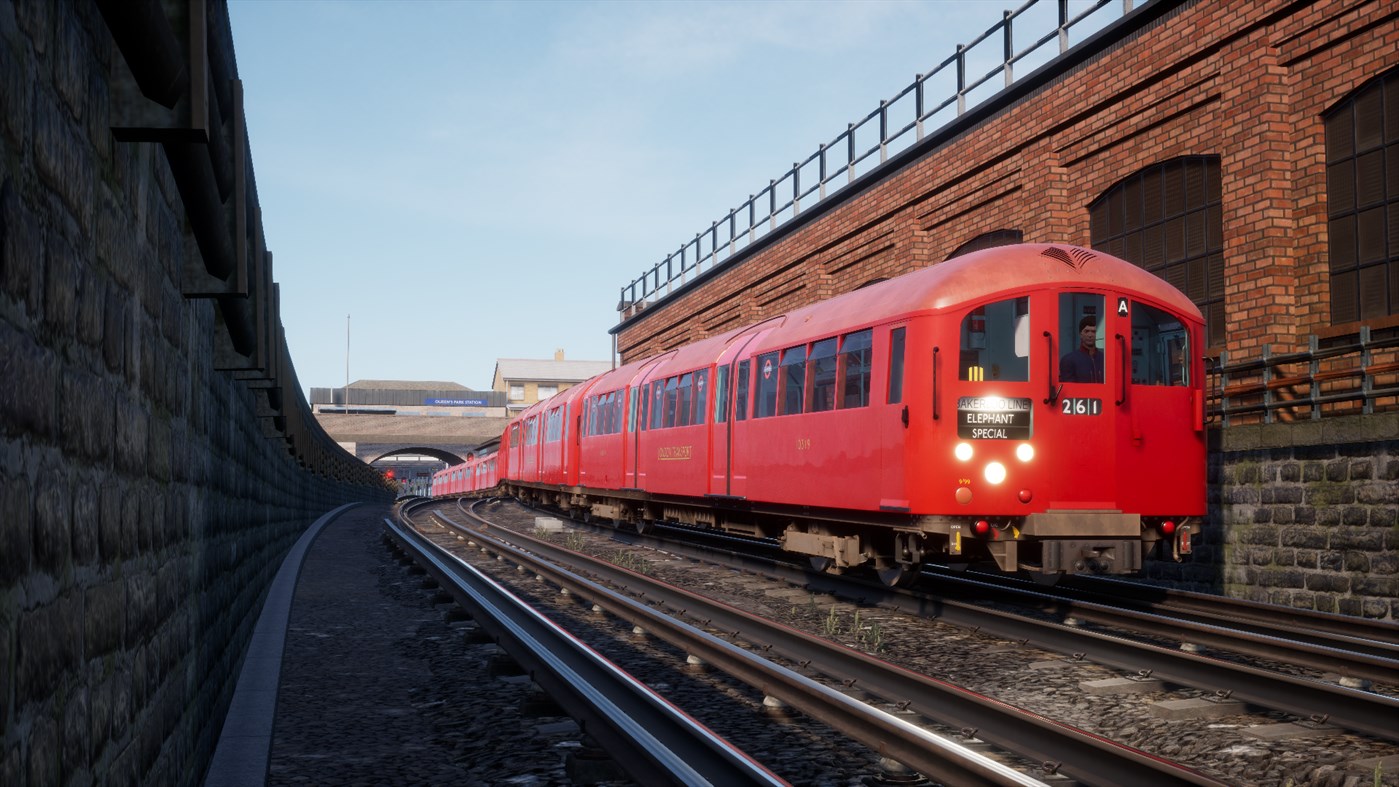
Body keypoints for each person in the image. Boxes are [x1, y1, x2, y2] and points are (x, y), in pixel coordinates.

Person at [1060, 316, 1104, 383]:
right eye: (1086, 331)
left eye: (1093, 331)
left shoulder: (1105, 359)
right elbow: (1069, 390)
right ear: (1081, 334)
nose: (1090, 335)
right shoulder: (1068, 360)